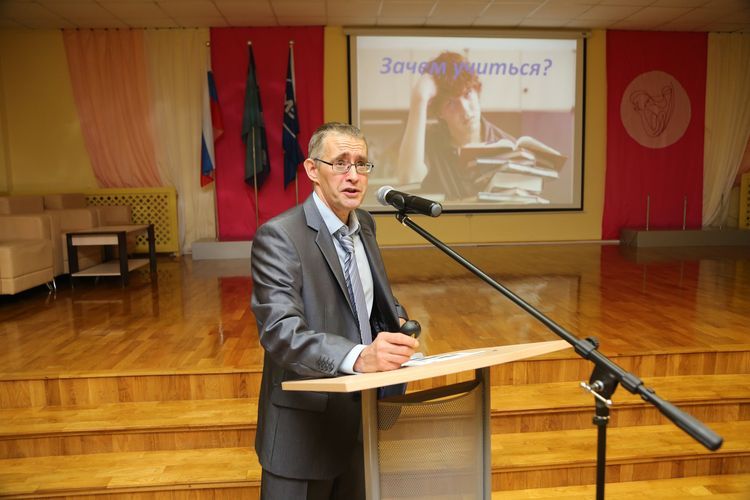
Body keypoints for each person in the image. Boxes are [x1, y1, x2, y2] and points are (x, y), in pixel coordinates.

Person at [251, 122, 419, 499]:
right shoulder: (280, 236)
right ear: (313, 170)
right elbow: (280, 331)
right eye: (341, 163)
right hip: (303, 434)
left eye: (361, 164)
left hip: (361, 423)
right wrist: (359, 356)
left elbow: (370, 297)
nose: (353, 175)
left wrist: (397, 319)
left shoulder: (366, 225)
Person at [397, 51, 515, 200]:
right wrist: (419, 99)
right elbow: (409, 180)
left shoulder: (510, 147)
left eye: (467, 94)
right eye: (451, 103)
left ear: (477, 92)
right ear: (439, 112)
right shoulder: (426, 142)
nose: (465, 110)